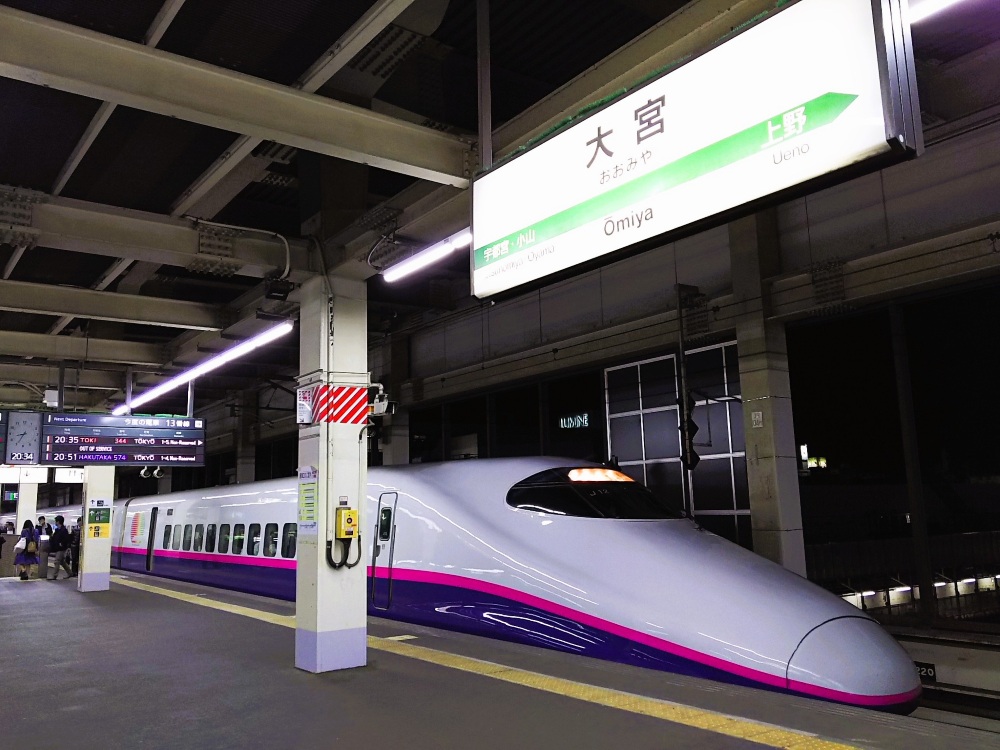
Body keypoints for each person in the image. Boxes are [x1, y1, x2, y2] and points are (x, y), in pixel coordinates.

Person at [48, 515, 73, 580]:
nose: (55, 522)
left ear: (58, 522)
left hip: (61, 548)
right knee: (62, 562)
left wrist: (61, 544)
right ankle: (70, 573)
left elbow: (66, 539)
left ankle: (54, 576)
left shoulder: (64, 530)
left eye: (56, 521)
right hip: (57, 548)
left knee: (57, 561)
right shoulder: (57, 530)